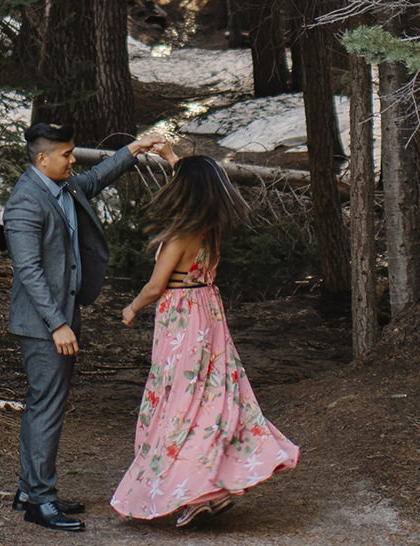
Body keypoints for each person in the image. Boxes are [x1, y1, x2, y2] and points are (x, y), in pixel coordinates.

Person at [5, 119, 177, 532]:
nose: (72, 160)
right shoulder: (25, 202)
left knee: (44, 403)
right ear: (42, 159)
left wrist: (134, 149)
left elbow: (98, 175)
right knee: (46, 406)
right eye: (66, 155)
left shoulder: (65, 186)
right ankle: (40, 502)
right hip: (44, 324)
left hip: (60, 316)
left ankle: (31, 489)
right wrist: (57, 324)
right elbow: (28, 270)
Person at [110, 152, 300, 526]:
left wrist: (131, 308)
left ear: (183, 191)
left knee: (180, 401)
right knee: (212, 397)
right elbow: (196, 173)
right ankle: (212, 484)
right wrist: (169, 155)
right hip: (208, 314)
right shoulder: (208, 231)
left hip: (181, 321)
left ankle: (193, 492)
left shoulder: (180, 235)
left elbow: (154, 286)